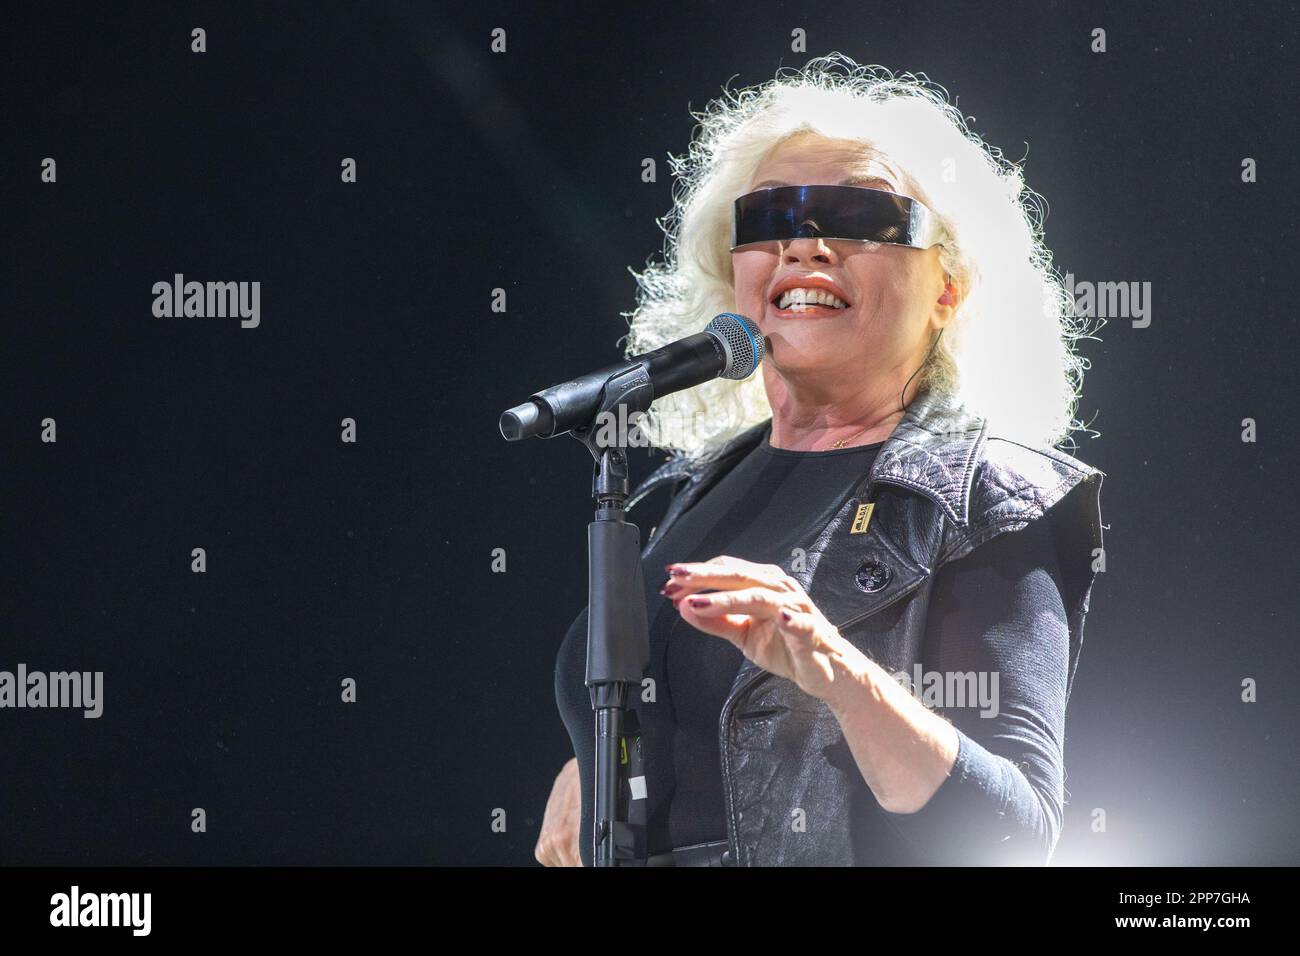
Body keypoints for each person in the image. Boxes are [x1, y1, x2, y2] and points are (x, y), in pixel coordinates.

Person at [537, 55, 1104, 867]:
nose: (805, 245)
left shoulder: (986, 496)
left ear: (949, 286)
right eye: (770, 218)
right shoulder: (687, 493)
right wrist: (599, 755)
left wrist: (831, 664)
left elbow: (1010, 833)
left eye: (859, 218)